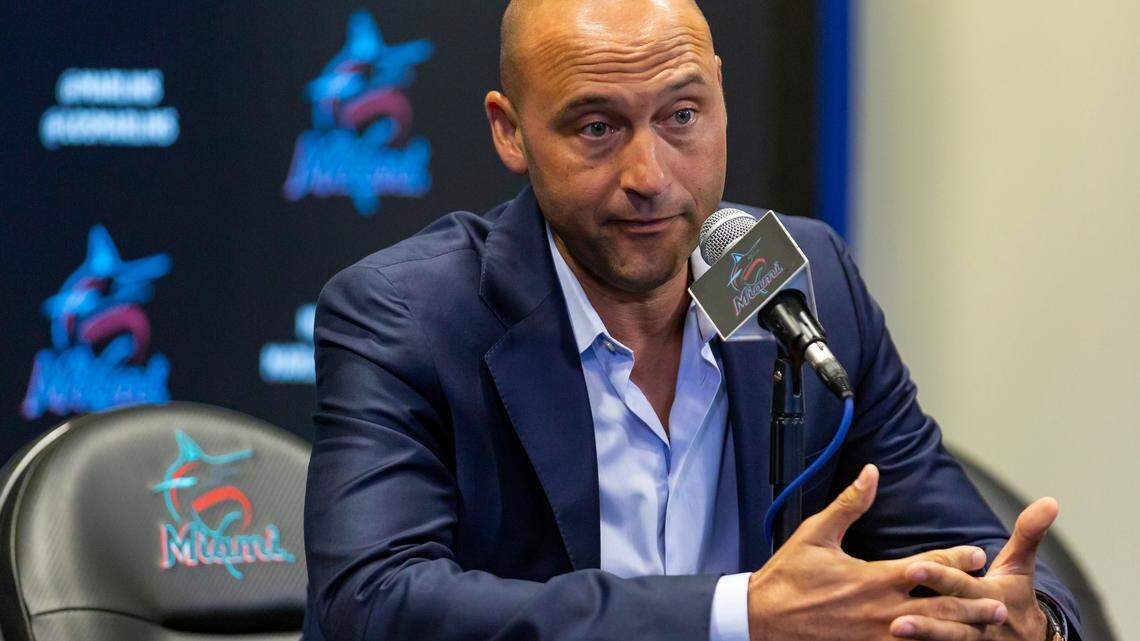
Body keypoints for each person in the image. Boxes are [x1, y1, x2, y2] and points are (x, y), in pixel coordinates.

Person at [302, 0, 1080, 639]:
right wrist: (740, 613)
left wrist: (1025, 619)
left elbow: (976, 552)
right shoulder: (406, 315)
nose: (650, 176)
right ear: (510, 130)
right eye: (597, 128)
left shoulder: (805, 280)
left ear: (720, 97)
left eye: (682, 116)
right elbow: (369, 603)